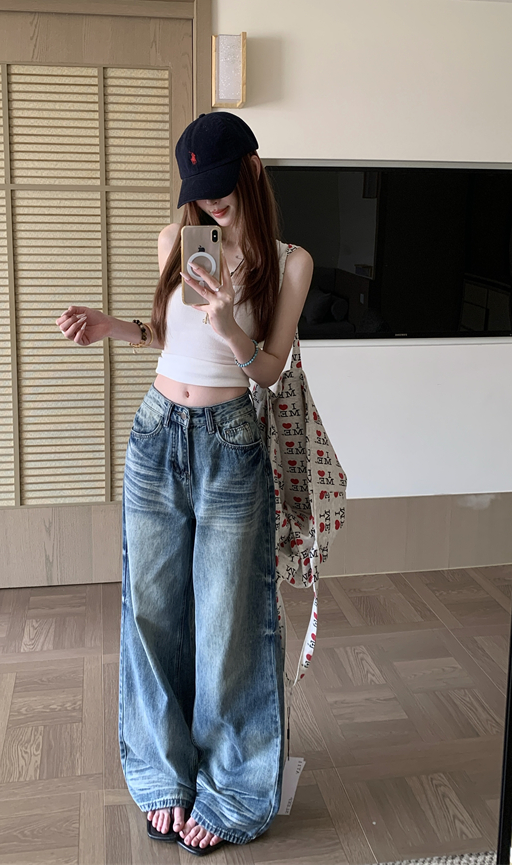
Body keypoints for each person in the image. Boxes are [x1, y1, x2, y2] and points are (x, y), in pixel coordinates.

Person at [56, 112, 313, 854]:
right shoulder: (178, 238)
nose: (210, 203)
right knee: (152, 612)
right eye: (199, 191)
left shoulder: (289, 262)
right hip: (156, 434)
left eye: (222, 186)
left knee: (230, 621)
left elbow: (270, 369)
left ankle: (233, 787)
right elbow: (167, 336)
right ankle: (163, 774)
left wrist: (231, 326)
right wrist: (114, 327)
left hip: (232, 443)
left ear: (253, 168)